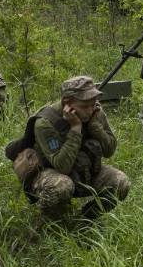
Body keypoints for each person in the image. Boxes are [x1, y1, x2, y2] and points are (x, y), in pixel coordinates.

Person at [7, 75, 130, 220]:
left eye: (93, 103)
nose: (90, 110)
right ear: (67, 102)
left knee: (121, 182)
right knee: (61, 187)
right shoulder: (46, 123)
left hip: (83, 170)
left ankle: (86, 220)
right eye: (85, 106)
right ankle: (49, 223)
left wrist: (96, 128)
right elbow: (62, 166)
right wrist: (76, 128)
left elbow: (109, 151)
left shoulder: (95, 111)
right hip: (51, 172)